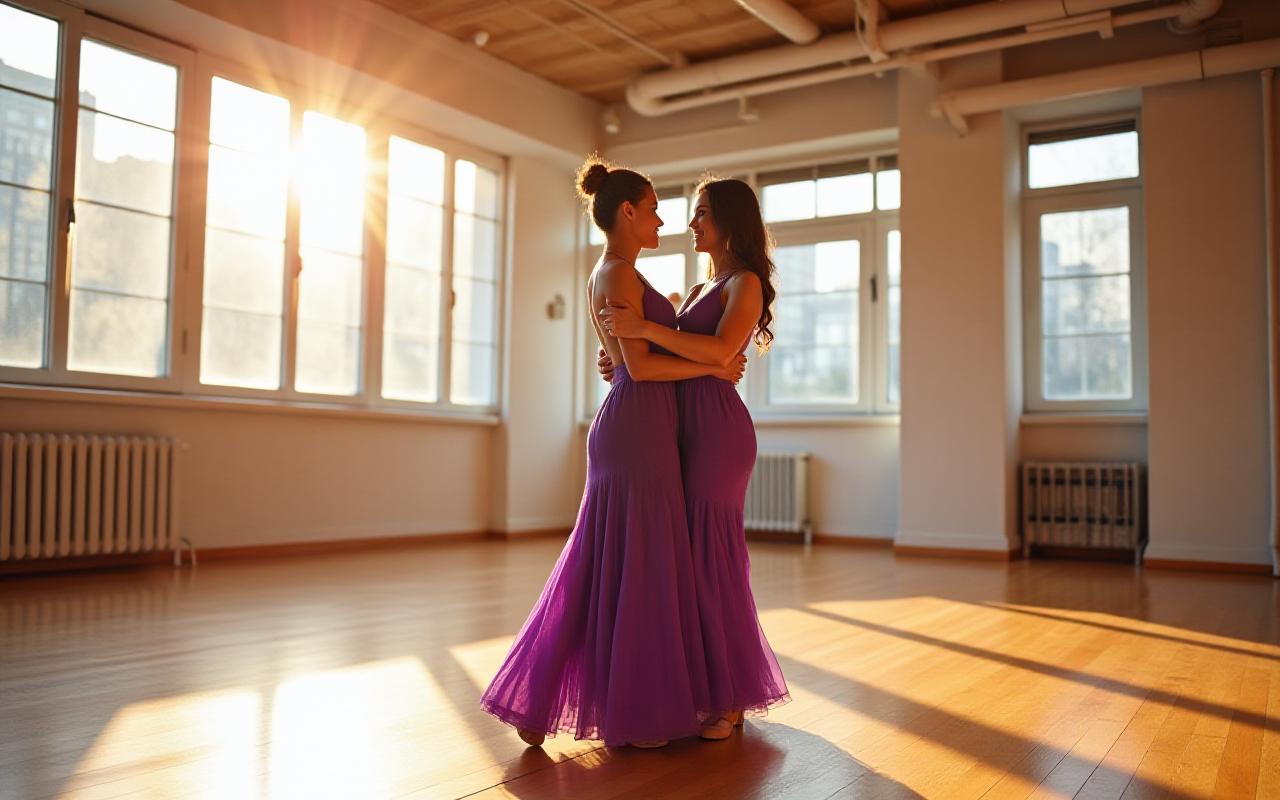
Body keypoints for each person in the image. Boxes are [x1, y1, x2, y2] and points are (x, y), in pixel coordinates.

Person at [480, 159, 745, 749]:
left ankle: (538, 703)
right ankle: (598, 703)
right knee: (630, 566)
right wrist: (716, 361)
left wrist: (694, 356)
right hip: (636, 429)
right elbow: (642, 367)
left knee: (611, 563)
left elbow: (628, 361)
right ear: (627, 212)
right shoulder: (619, 274)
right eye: (653, 208)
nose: (661, 218)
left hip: (641, 423)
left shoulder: (620, 271)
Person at [597, 177, 790, 741]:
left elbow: (719, 351)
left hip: (719, 434)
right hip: (677, 431)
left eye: (701, 212)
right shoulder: (703, 286)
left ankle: (731, 699)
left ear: (729, 220)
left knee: (713, 560)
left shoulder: (746, 282)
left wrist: (645, 330)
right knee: (686, 564)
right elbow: (668, 354)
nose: (690, 223)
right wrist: (621, 359)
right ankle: (702, 686)